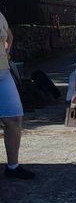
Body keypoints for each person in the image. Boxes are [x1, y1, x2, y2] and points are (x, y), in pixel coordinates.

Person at [0, 12, 35, 180]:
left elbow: (9, 37)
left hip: (3, 74)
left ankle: (12, 167)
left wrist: (5, 55)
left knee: (14, 119)